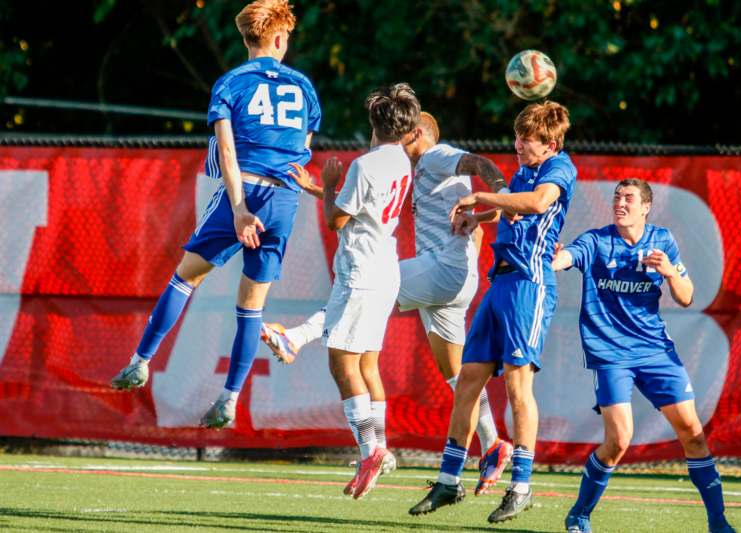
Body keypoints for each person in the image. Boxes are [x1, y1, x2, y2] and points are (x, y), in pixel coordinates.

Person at [263, 111, 514, 495]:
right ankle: (493, 443)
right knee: (457, 376)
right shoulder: (412, 169)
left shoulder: (434, 156)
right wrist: (318, 190)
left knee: (368, 284)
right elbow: (362, 205)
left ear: (417, 134)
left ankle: (295, 338)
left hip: (441, 269)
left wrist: (500, 193)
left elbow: (479, 163)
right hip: (456, 279)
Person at [109, 0, 321, 430]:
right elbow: (302, 152)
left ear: (247, 39)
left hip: (243, 191)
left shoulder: (231, 82)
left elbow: (227, 152)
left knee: (186, 276)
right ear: (279, 39)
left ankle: (140, 361)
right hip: (285, 199)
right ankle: (230, 398)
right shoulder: (304, 87)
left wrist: (240, 208)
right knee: (252, 306)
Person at [409, 101, 576, 524]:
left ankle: (520, 486)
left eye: (528, 139)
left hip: (529, 283)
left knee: (519, 387)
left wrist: (482, 194)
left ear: (551, 143)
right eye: (518, 137)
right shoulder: (525, 168)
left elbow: (538, 203)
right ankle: (449, 480)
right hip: (500, 282)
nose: (518, 145)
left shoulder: (560, 169)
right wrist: (480, 217)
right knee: (467, 380)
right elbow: (513, 206)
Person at [551, 178, 736, 533]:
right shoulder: (597, 240)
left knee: (693, 433)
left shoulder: (662, 241)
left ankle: (718, 521)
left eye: (629, 199)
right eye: (617, 197)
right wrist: (555, 257)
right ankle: (579, 514)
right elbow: (567, 256)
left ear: (646, 207)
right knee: (619, 441)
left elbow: (686, 296)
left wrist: (669, 272)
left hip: (655, 351)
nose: (620, 203)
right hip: (610, 354)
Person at [286, 83, 420, 499]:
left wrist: (328, 182)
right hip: (385, 268)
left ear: (373, 122)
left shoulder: (364, 165)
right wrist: (320, 188)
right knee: (367, 365)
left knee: (342, 364)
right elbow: (357, 206)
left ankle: (368, 451)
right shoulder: (399, 160)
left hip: (360, 270)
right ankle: (382, 447)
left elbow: (336, 220)